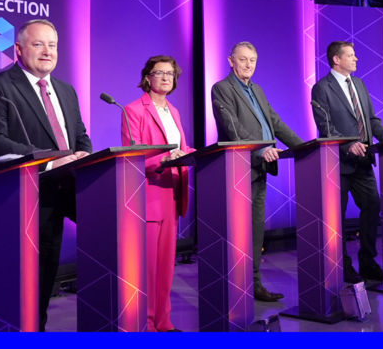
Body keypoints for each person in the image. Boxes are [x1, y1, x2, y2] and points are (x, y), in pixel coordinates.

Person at [0, 19, 92, 331]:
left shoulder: (66, 90)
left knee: (45, 281)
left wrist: (83, 156)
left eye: (52, 45)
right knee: (20, 286)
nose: (47, 51)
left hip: (65, 194)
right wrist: (52, 161)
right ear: (19, 49)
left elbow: (80, 136)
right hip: (22, 199)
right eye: (38, 44)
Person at [211, 42, 304, 302]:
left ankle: (253, 283)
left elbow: (274, 122)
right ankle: (234, 284)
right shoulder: (222, 88)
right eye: (243, 59)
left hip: (260, 168)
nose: (248, 64)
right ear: (231, 61)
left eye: (252, 60)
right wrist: (260, 149)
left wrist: (304, 147)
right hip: (239, 168)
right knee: (238, 231)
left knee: (255, 230)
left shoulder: (258, 90)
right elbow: (233, 128)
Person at [121, 56, 194, 332]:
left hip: (173, 192)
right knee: (149, 267)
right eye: (159, 72)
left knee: (165, 265)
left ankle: (164, 320)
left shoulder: (173, 111)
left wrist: (195, 155)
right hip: (149, 194)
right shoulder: (133, 110)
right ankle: (147, 323)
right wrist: (164, 159)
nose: (165, 77)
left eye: (170, 73)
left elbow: (182, 148)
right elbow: (133, 156)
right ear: (147, 77)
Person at [311, 41, 383, 283]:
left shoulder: (359, 84)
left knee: (372, 205)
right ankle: (342, 264)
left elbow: (371, 120)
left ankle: (368, 261)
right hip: (339, 163)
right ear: (336, 59)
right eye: (351, 55)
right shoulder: (321, 88)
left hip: (363, 161)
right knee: (338, 215)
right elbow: (325, 126)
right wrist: (348, 145)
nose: (356, 59)